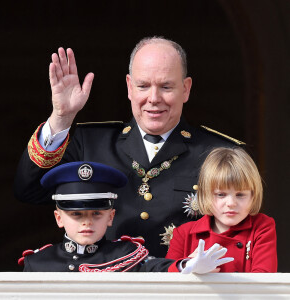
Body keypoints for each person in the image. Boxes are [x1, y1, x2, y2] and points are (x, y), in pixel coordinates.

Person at [14, 36, 244, 257]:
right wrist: (61, 117)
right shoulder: (92, 144)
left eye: (166, 87)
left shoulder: (219, 153)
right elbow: (30, 190)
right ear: (129, 87)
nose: (154, 98)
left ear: (186, 89)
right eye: (143, 86)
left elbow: (242, 236)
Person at [18, 161, 233, 273]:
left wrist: (186, 266)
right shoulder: (37, 262)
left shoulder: (127, 255)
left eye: (96, 213)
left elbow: (156, 270)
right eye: (76, 214)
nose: (87, 221)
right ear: (58, 218)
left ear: (111, 217)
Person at [166, 147, 277, 272]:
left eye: (240, 195)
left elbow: (264, 280)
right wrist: (188, 265)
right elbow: (168, 281)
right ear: (205, 195)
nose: (231, 203)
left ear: (253, 195)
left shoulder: (261, 227)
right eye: (220, 194)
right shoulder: (184, 234)